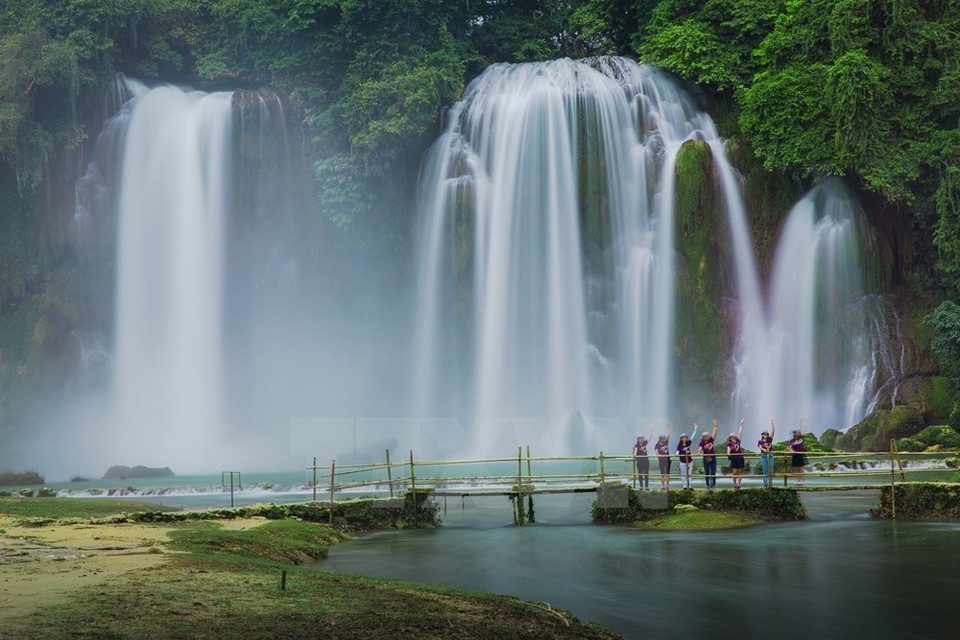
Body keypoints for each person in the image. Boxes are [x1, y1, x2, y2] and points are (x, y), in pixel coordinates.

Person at [697, 419, 719, 489]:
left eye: (707, 436)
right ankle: (707, 485)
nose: (706, 437)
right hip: (706, 458)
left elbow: (714, 434)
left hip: (713, 458)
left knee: (713, 472)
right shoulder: (702, 442)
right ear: (703, 437)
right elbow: (700, 448)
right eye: (705, 436)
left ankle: (713, 485)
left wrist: (715, 426)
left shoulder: (711, 440)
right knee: (706, 472)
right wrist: (698, 452)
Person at [726, 419, 745, 489]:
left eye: (734, 437)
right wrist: (728, 453)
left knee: (740, 471)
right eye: (732, 437)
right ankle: (734, 483)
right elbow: (728, 449)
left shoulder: (738, 442)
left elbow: (740, 432)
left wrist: (741, 424)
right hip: (734, 458)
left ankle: (738, 484)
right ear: (730, 438)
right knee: (734, 472)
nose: (734, 438)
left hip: (740, 458)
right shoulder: (729, 444)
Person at [757, 419, 776, 487]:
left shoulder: (769, 439)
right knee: (764, 470)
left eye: (766, 434)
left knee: (771, 470)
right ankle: (765, 484)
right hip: (763, 455)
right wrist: (763, 449)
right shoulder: (760, 441)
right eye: (764, 434)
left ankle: (770, 483)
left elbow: (773, 432)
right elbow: (760, 447)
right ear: (762, 435)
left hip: (770, 455)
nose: (765, 435)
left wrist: (772, 424)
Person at [655, 422, 673, 490]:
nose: (664, 439)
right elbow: (656, 453)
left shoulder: (666, 442)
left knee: (667, 473)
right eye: (662, 438)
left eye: (664, 438)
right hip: (661, 460)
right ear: (659, 439)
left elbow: (669, 435)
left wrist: (669, 428)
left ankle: (667, 486)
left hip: (667, 459)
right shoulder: (657, 445)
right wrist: (659, 455)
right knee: (662, 473)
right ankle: (663, 486)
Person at [789, 420, 807, 487]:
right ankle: (797, 480)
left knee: (801, 468)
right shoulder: (792, 440)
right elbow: (789, 447)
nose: (795, 433)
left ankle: (802, 480)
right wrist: (791, 451)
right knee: (796, 468)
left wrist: (803, 423)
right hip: (795, 455)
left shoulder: (801, 438)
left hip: (800, 455)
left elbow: (804, 431)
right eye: (794, 432)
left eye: (796, 432)